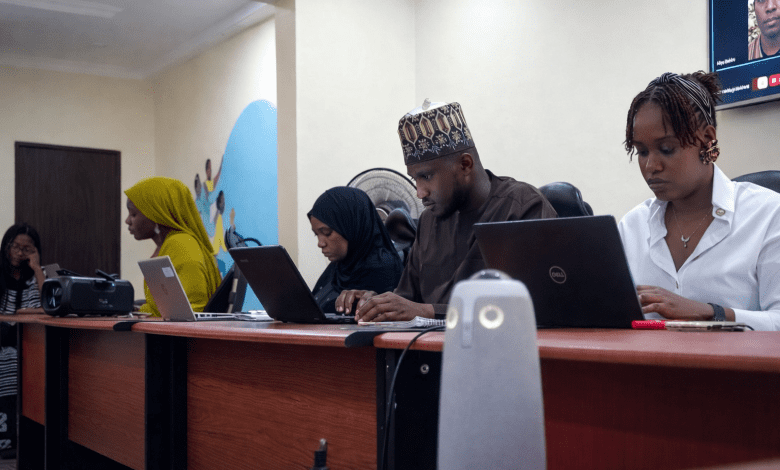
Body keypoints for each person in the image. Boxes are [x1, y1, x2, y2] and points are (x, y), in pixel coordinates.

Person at [336, 101, 557, 322]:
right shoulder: (429, 221)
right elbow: (407, 299)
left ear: (465, 165)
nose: (419, 192)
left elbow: (528, 306)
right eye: (415, 179)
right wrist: (374, 303)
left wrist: (426, 311)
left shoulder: (521, 207)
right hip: (426, 351)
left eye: (427, 176)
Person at [620, 71, 780, 331]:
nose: (651, 165)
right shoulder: (632, 226)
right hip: (648, 370)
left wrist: (711, 313)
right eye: (642, 151)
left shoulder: (768, 215)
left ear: (707, 139)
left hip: (736, 371)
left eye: (667, 149)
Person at [125, 177, 221, 316]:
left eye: (133, 214)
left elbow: (190, 311)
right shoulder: (168, 245)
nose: (127, 221)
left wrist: (141, 311)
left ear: (157, 213)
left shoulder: (181, 244)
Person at [308, 186, 404, 313]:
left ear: (351, 226)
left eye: (326, 232)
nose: (320, 243)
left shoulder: (383, 268)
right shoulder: (341, 266)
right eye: (317, 234)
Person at [0, 223, 45, 457]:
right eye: (15, 247)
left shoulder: (37, 275)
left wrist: (37, 269)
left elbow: (47, 306)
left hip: (27, 340)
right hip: (3, 339)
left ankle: (18, 438)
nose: (19, 253)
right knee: (8, 359)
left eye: (27, 249)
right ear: (6, 246)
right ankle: (5, 437)